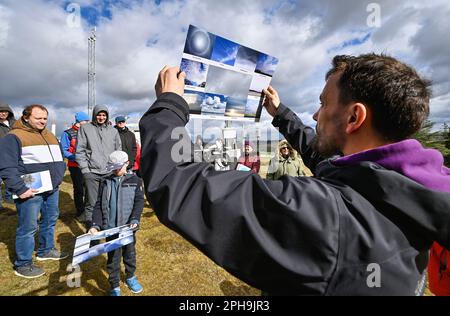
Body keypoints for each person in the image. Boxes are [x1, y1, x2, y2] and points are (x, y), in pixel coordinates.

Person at [138, 55, 450, 295]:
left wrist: (169, 105)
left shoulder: (329, 219)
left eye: (323, 103)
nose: (315, 115)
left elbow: (182, 183)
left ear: (354, 116)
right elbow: (325, 160)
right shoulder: (408, 191)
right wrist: (281, 114)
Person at [0, 104, 68, 278]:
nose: (42, 121)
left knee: (50, 219)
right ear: (26, 117)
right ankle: (23, 264)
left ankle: (45, 250)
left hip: (51, 188)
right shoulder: (14, 136)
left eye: (45, 118)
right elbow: (7, 166)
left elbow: (59, 158)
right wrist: (20, 189)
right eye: (38, 118)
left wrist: (58, 177)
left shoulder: (50, 135)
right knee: (28, 227)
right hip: (29, 190)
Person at [88, 150, 144, 296]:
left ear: (127, 164)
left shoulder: (135, 180)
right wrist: (95, 225)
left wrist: (135, 219)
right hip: (111, 229)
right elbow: (99, 204)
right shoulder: (105, 181)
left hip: (128, 229)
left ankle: (130, 276)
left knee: (130, 254)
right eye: (113, 167)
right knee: (113, 259)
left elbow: (139, 202)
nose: (115, 170)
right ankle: (114, 285)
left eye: (118, 167)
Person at [76, 105, 122, 229]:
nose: (101, 117)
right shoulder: (85, 128)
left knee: (109, 200)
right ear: (94, 115)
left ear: (107, 116)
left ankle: (107, 227)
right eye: (99, 114)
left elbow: (118, 150)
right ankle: (91, 229)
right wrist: (85, 170)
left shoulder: (113, 130)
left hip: (109, 172)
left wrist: (116, 168)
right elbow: (80, 150)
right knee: (91, 202)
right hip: (92, 172)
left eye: (104, 115)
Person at [60, 112, 90, 219]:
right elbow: (64, 150)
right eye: (86, 121)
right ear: (79, 121)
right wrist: (76, 157)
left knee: (89, 189)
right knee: (78, 189)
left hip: (88, 165)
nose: (88, 122)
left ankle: (88, 210)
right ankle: (80, 212)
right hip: (75, 166)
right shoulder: (67, 133)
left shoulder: (88, 132)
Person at [0, 103, 16, 210]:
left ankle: (10, 197)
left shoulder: (15, 124)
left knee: (12, 178)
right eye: (1, 112)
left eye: (5, 111)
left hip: (12, 156)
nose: (3, 113)